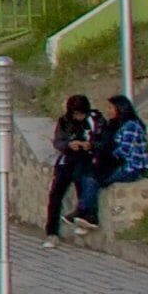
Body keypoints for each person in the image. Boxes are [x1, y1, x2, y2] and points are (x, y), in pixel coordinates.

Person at [45, 93, 102, 240]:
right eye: (75, 113)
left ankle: (86, 218)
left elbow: (104, 139)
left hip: (87, 159)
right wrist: (69, 145)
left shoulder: (96, 119)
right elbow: (58, 141)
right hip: (68, 160)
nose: (78, 117)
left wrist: (91, 145)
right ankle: (52, 232)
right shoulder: (64, 121)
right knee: (56, 193)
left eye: (81, 113)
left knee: (82, 182)